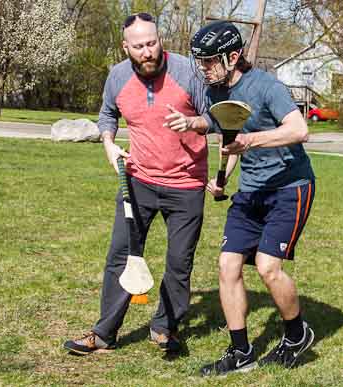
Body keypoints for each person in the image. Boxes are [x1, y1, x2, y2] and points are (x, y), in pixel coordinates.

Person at [63, 13, 212, 355]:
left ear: (160, 40)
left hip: (186, 184)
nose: (147, 52)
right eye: (139, 46)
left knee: (179, 262)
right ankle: (104, 334)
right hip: (138, 181)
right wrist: (108, 142)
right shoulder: (117, 76)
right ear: (125, 47)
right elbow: (107, 114)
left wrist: (191, 123)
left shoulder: (188, 72)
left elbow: (213, 118)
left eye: (152, 43)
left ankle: (164, 328)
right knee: (121, 256)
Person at [185, 20, 316, 375]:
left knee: (267, 267)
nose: (203, 68)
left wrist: (250, 142)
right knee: (227, 266)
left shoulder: (266, 86)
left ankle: (296, 334)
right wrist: (222, 177)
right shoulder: (215, 91)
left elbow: (299, 130)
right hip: (251, 191)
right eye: (201, 61)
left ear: (233, 56)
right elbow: (227, 138)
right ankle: (240, 351)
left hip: (291, 189)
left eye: (210, 60)